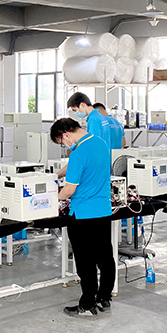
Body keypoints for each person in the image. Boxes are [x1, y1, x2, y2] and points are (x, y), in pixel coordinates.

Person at [51, 117, 115, 318]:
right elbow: (75, 167)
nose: (65, 145)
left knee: (85, 261)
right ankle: (104, 298)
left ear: (66, 134)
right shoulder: (100, 143)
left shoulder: (78, 153)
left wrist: (50, 199)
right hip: (103, 210)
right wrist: (55, 176)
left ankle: (87, 304)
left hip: (83, 215)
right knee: (105, 257)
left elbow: (69, 190)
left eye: (62, 142)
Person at [57, 93, 110, 179]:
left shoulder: (93, 120)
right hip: (104, 162)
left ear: (82, 104)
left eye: (75, 110)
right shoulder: (102, 117)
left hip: (95, 166)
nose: (76, 113)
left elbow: (91, 145)